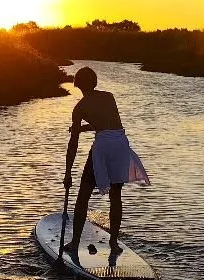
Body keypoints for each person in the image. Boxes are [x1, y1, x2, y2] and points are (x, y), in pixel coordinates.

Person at [62, 66, 149, 262]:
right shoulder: (109, 97)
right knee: (115, 195)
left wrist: (68, 173)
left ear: (78, 85)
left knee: (83, 195)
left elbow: (73, 143)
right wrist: (85, 127)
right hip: (120, 144)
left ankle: (75, 243)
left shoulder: (80, 107)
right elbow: (106, 124)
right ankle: (114, 243)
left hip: (103, 147)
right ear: (95, 82)